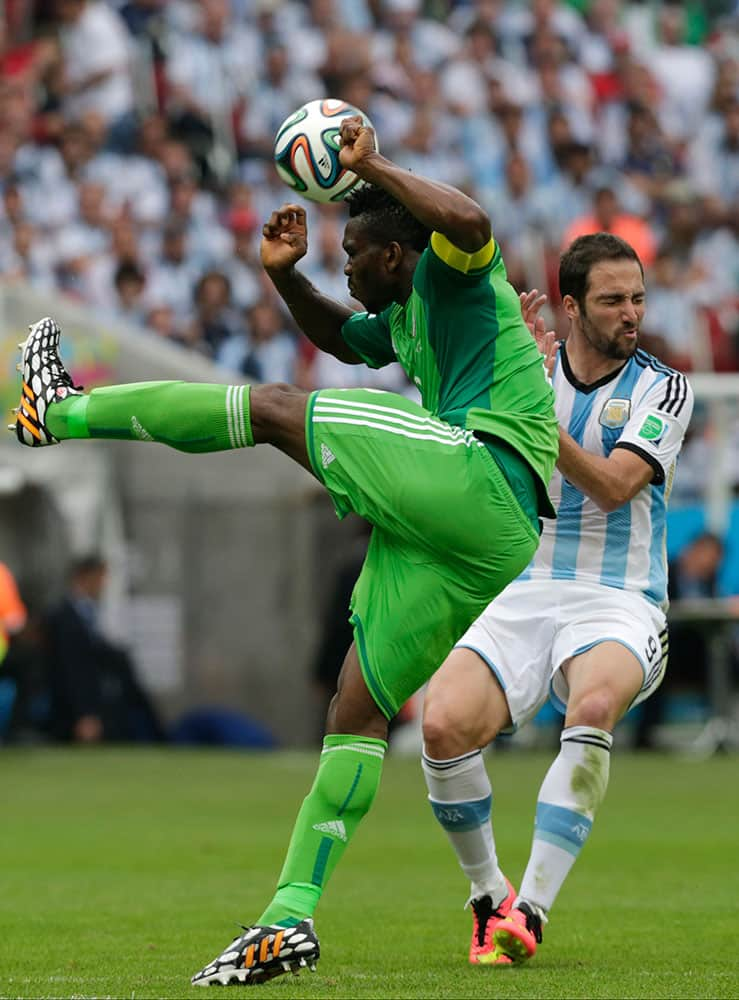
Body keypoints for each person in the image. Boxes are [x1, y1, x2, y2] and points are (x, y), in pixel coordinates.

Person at [11, 116, 558, 985]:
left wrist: (369, 162)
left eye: (354, 252)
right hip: (478, 537)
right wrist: (287, 279)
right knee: (354, 710)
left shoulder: (453, 278)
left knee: (270, 406)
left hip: (479, 474)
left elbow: (471, 227)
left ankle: (59, 412)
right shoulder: (404, 316)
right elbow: (341, 338)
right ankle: (288, 920)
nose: (344, 262)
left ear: (397, 254)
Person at [421, 232, 694, 966]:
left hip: (618, 598)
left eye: (636, 297)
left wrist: (531, 413)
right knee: (441, 725)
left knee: (594, 706)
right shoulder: (528, 375)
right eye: (611, 300)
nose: (629, 313)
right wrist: (512, 375)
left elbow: (612, 485)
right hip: (522, 589)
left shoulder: (663, 387)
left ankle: (531, 913)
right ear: (571, 307)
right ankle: (488, 898)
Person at [44, 555, 165, 744]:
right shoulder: (64, 618)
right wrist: (85, 713)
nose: (104, 583)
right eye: (100, 577)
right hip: (71, 711)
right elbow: (72, 670)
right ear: (84, 576)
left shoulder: (91, 615)